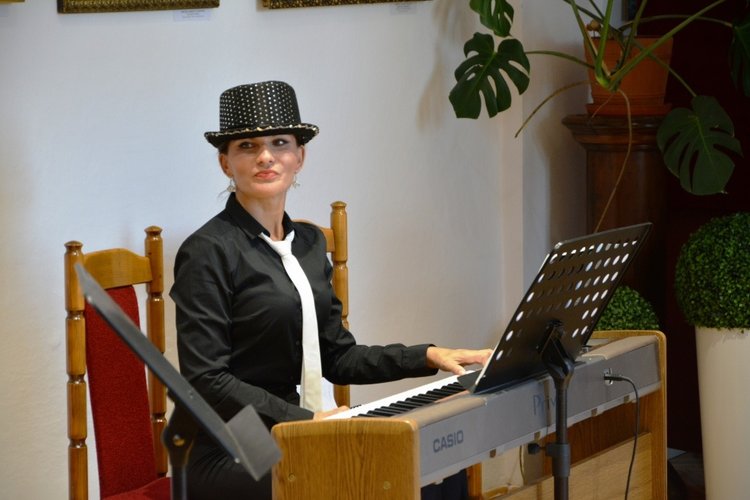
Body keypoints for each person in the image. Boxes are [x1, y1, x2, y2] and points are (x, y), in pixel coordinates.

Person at [170, 80, 492, 499]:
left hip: (300, 422)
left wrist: (428, 355)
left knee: (434, 458)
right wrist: (304, 422)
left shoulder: (308, 244)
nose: (265, 156)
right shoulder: (207, 251)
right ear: (225, 163)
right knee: (364, 471)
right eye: (247, 146)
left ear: (299, 157)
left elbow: (337, 356)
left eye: (280, 143)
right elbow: (207, 379)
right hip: (231, 441)